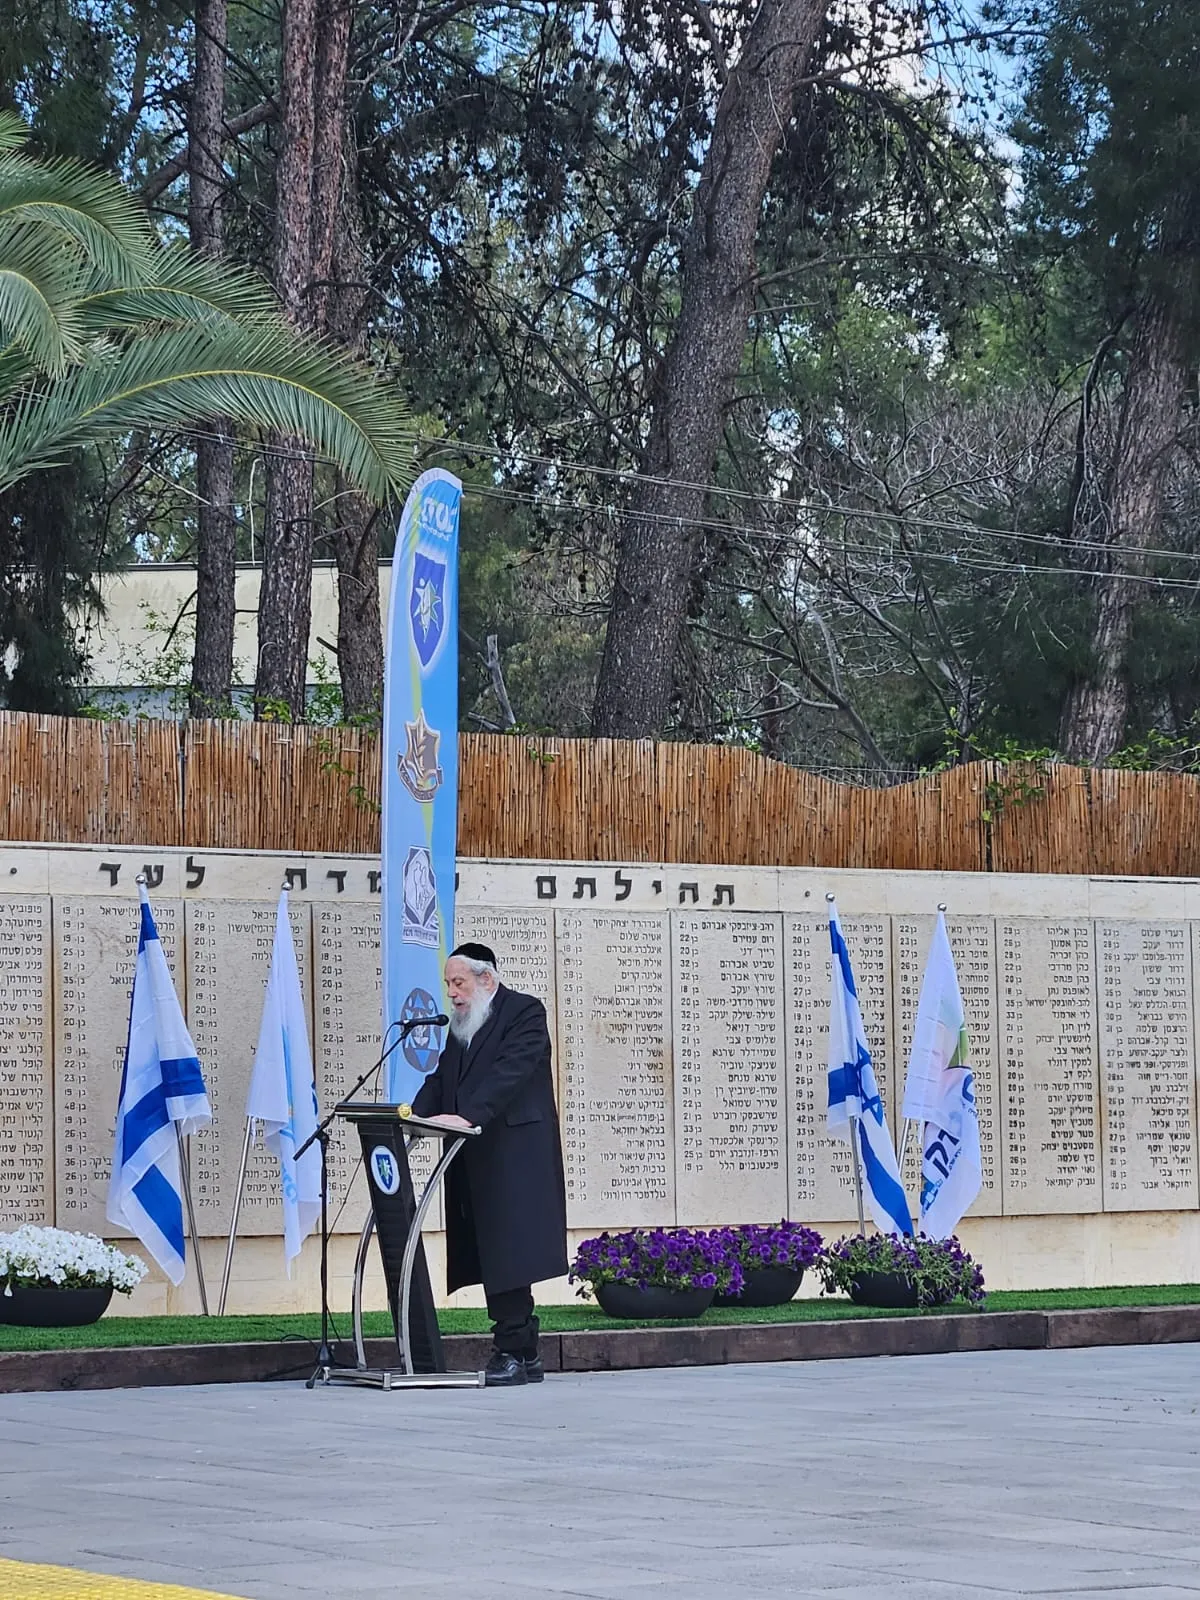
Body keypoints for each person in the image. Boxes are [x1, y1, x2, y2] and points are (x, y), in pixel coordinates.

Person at [413, 941, 567, 1387]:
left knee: (509, 1255)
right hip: (475, 1156)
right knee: (491, 1254)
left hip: (515, 1158)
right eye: (448, 984)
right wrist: (411, 1117)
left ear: (486, 979)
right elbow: (442, 1078)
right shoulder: (462, 1025)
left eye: (458, 983)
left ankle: (515, 1352)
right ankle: (523, 1353)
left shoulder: (524, 1012)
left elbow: (510, 1072)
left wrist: (467, 1116)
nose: (452, 993)